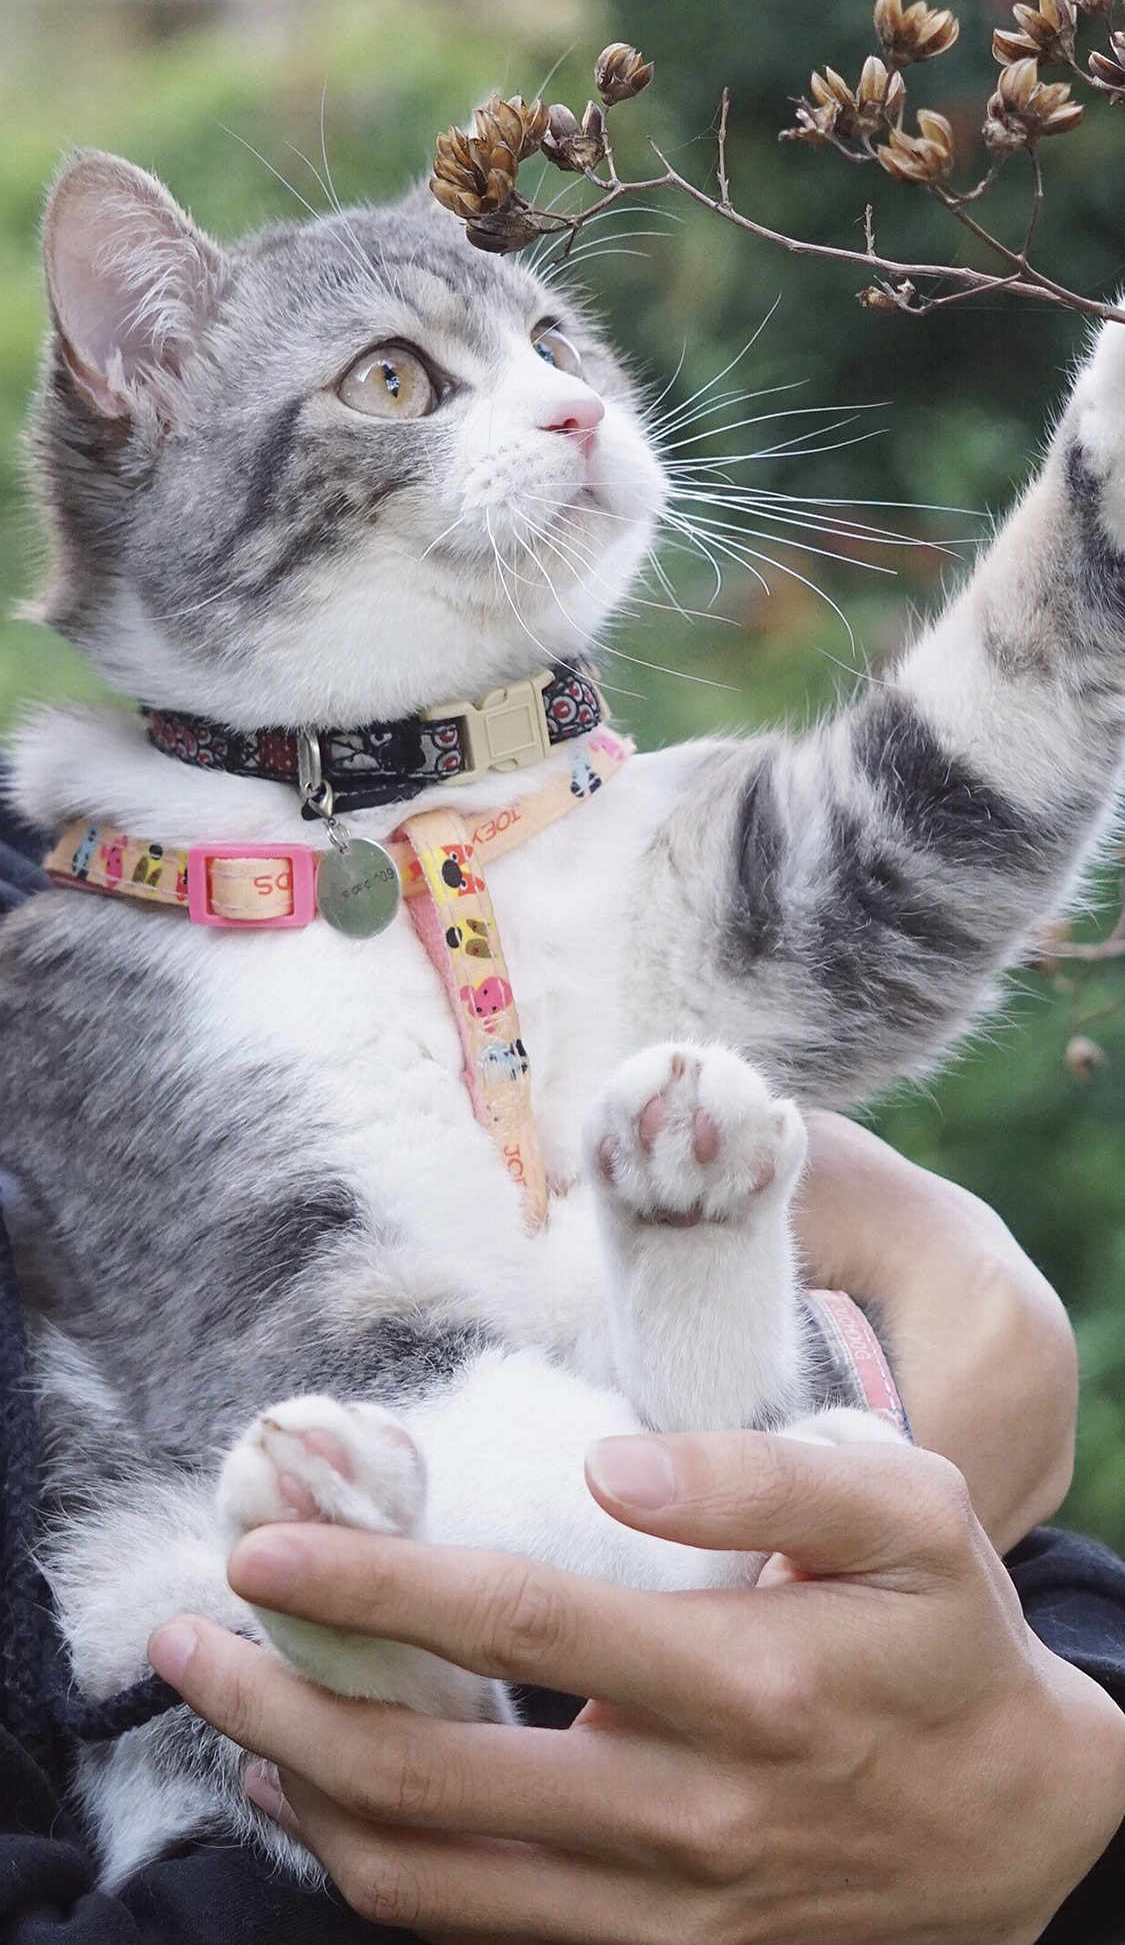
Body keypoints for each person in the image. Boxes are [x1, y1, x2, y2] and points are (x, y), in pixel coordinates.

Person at [2, 791, 1125, 1942]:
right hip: (282, 1782)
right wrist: (917, 1396)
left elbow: (1009, 1675)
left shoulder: (143, 875)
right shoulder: (110, 955)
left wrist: (1083, 1763)